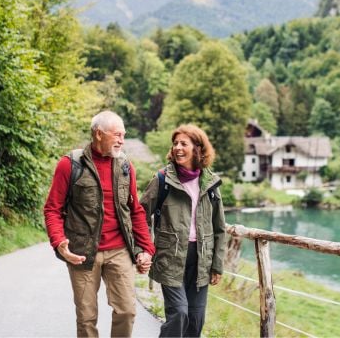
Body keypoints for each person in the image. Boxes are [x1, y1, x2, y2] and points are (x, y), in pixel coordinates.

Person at [44, 110, 155, 338]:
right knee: (86, 318)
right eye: (117, 135)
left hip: (119, 250)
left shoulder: (126, 165)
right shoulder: (70, 165)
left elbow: (135, 210)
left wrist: (146, 249)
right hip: (82, 253)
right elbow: (52, 209)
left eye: (123, 135)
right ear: (98, 134)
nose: (122, 141)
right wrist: (59, 242)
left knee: (126, 311)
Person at [140, 124, 226, 338]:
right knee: (179, 314)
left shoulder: (210, 183)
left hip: (201, 260)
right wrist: (145, 248)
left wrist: (217, 264)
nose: (178, 148)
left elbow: (220, 228)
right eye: (175, 143)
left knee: (195, 320)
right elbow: (140, 214)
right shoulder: (162, 180)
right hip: (170, 257)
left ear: (197, 148)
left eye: (183, 144)